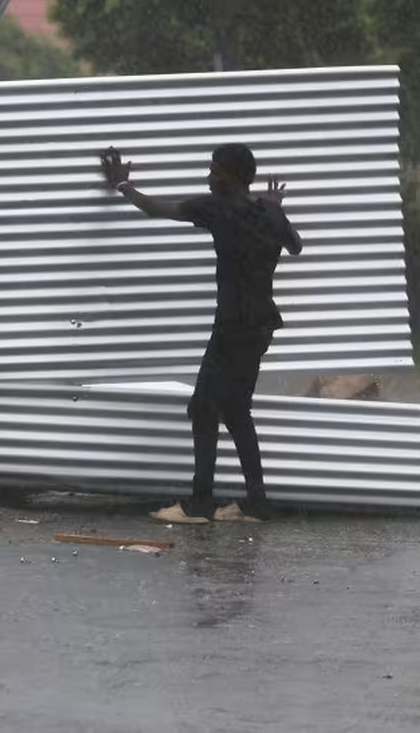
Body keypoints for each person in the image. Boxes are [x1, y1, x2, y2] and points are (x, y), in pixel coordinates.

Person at [99, 144, 303, 524]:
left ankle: (198, 505)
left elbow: (156, 208)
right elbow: (296, 246)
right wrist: (276, 208)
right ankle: (255, 503)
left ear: (231, 176)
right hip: (260, 327)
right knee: (237, 411)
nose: (209, 177)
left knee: (204, 409)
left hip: (231, 328)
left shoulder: (215, 207)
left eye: (214, 170)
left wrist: (123, 185)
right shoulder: (268, 213)